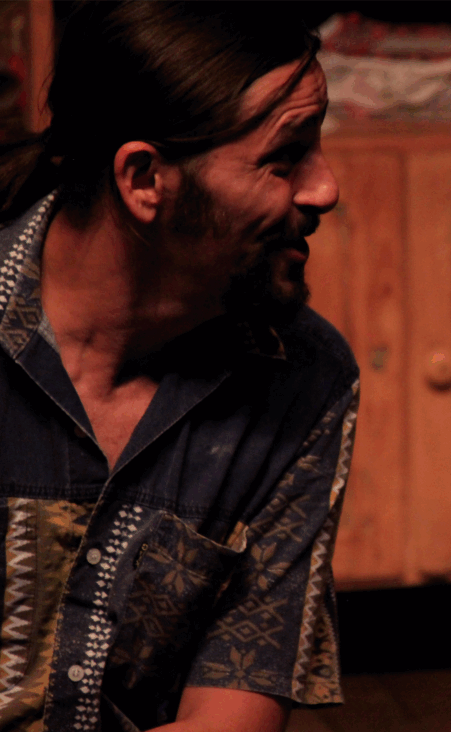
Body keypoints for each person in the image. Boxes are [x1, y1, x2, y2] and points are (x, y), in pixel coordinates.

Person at [0, 3, 356, 731]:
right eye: (284, 158)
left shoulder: (300, 376)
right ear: (143, 179)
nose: (326, 190)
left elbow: (232, 712)